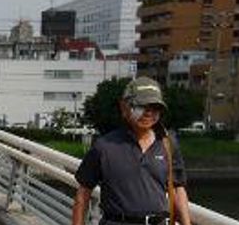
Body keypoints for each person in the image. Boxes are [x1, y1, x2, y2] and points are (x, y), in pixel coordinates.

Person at [72, 77, 191, 225]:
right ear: (124, 107)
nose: (148, 113)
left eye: (155, 107)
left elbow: (178, 190)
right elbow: (82, 195)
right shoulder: (104, 146)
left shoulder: (168, 143)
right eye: (141, 106)